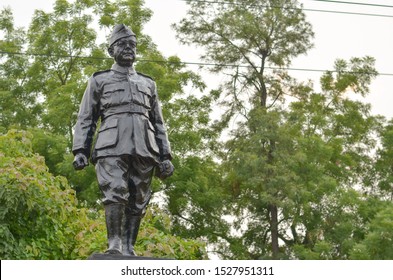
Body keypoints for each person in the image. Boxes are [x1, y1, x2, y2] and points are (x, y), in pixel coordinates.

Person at [72, 24, 174, 255]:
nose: (129, 48)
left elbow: (158, 122)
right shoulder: (99, 80)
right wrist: (80, 150)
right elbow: (86, 117)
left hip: (145, 147)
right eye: (122, 44)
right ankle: (114, 245)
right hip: (111, 145)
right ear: (111, 50)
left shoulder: (149, 83)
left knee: (139, 198)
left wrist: (165, 155)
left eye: (132, 45)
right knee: (115, 190)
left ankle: (129, 247)